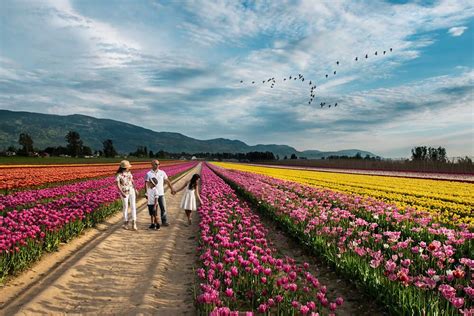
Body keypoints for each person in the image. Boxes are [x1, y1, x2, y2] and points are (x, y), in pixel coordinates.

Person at [145, 160, 175, 226]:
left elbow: (167, 181)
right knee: (154, 208)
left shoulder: (162, 172)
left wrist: (171, 188)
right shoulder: (148, 174)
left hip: (161, 193)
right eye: (156, 164)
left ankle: (164, 221)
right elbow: (146, 184)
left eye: (159, 164)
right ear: (152, 164)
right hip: (152, 195)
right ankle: (155, 222)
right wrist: (146, 193)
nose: (158, 165)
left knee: (163, 208)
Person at [116, 160, 138, 230]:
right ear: (125, 168)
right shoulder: (119, 175)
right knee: (125, 206)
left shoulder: (129, 173)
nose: (129, 168)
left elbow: (132, 181)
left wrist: (135, 189)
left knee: (133, 206)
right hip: (124, 192)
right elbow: (118, 185)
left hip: (131, 190)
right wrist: (121, 193)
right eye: (128, 167)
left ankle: (134, 223)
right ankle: (126, 223)